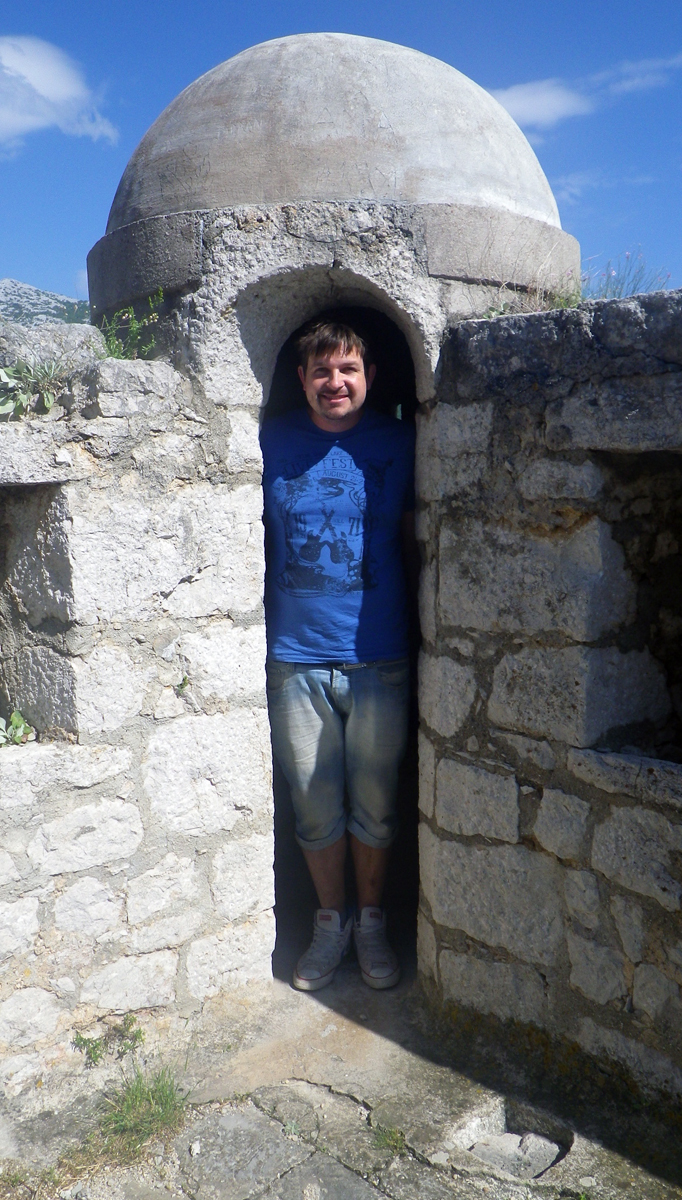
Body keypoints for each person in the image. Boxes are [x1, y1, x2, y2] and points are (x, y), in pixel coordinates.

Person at [261, 319, 416, 992]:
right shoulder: (269, 440)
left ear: (369, 377)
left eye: (348, 369)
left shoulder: (401, 441)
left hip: (379, 655)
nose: (335, 383)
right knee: (314, 806)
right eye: (321, 371)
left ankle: (371, 923)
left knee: (375, 806)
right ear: (301, 380)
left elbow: (418, 533)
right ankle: (331, 923)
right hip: (295, 659)